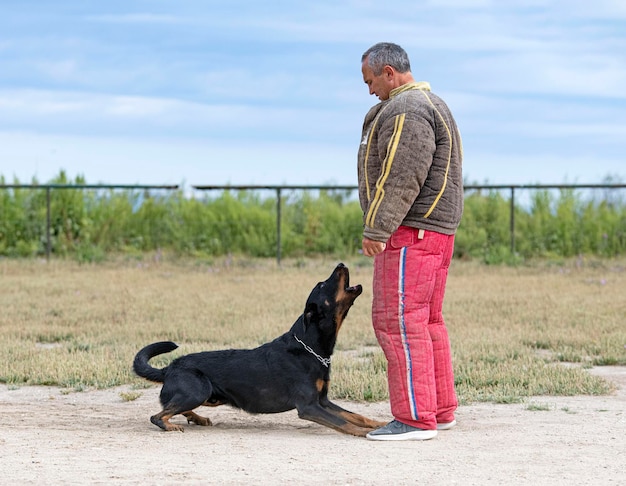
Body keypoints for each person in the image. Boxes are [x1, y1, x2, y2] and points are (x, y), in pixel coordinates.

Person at [357, 42, 464, 441]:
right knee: (427, 321)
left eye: (370, 82)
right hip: (436, 232)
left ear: (389, 72)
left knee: (398, 321)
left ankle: (415, 418)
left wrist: (377, 228)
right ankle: (438, 408)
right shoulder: (433, 103)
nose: (369, 91)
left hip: (411, 232)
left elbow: (402, 176)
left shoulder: (407, 110)